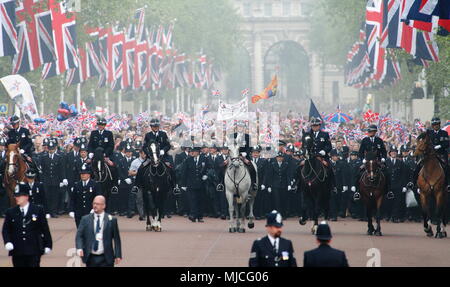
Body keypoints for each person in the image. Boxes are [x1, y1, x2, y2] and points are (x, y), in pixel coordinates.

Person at [2, 184, 52, 267]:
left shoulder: (37, 210)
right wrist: (7, 242)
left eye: (19, 196)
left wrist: (48, 245)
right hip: (17, 250)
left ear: (26, 196)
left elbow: (44, 228)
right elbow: (6, 229)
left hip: (34, 249)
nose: (16, 198)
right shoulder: (11, 212)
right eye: (16, 196)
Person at [75, 195, 122, 267]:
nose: (95, 206)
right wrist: (79, 247)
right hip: (91, 257)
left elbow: (116, 239)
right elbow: (79, 235)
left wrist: (118, 255)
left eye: (98, 204)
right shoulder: (85, 219)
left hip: (106, 257)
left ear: (103, 206)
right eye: (94, 203)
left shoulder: (111, 220)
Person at [408, 117, 449, 192]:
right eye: (434, 124)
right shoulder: (428, 132)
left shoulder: (444, 133)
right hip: (429, 155)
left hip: (441, 154)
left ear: (439, 125)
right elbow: (420, 137)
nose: (436, 126)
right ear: (432, 125)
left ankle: (448, 184)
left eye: (437, 124)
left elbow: (447, 143)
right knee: (418, 166)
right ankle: (413, 182)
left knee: (447, 167)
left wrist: (439, 146)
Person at [355, 125, 391, 199]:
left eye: (371, 131)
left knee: (386, 172)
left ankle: (388, 191)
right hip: (367, 161)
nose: (369, 133)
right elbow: (360, 152)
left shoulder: (379, 140)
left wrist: (383, 158)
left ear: (375, 132)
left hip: (377, 161)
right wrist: (363, 159)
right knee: (359, 172)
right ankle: (357, 191)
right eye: (369, 131)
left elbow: (383, 151)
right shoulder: (365, 140)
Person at [303, 118, 336, 192]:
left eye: (316, 125)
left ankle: (333, 186)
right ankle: (297, 184)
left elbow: (329, 146)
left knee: (330, 168)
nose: (314, 127)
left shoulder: (325, 134)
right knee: (299, 167)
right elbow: (304, 145)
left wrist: (323, 151)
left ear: (319, 126)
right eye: (313, 126)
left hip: (321, 157)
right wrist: (305, 151)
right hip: (310, 157)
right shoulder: (307, 134)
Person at [180, 147, 210, 223]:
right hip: (191, 183)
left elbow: (209, 168)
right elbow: (184, 172)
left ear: (198, 152)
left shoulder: (204, 159)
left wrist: (206, 175)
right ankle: (193, 215)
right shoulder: (188, 160)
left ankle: (200, 216)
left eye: (194, 152)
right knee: (192, 200)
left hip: (201, 183)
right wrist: (183, 184)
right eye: (192, 152)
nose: (192, 153)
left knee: (200, 200)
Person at [40, 141, 66, 218]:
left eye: (52, 149)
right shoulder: (44, 157)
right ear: (47, 149)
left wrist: (62, 179)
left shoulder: (59, 157)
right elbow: (42, 170)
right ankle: (47, 211)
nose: (51, 150)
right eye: (50, 149)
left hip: (56, 180)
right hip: (46, 180)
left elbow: (61, 170)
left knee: (55, 196)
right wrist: (42, 180)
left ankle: (53, 212)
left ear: (55, 148)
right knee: (47, 196)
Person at [233, 121, 258, 191]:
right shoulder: (232, 136)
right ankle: (221, 183)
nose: (240, 128)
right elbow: (230, 147)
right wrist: (236, 154)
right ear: (236, 127)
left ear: (244, 128)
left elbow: (249, 147)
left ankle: (253, 183)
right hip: (233, 156)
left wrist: (245, 154)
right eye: (239, 126)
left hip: (244, 155)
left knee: (252, 167)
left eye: (242, 127)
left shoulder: (247, 136)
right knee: (224, 165)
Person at [129, 149, 147, 220]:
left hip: (147, 183)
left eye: (146, 154)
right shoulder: (135, 162)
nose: (145, 155)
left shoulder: (148, 161)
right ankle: (142, 215)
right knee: (139, 199)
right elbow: (130, 172)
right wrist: (139, 172)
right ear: (140, 153)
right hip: (138, 182)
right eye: (144, 154)